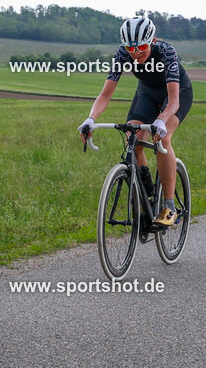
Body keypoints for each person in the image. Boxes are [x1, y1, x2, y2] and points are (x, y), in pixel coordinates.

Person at [79, 15, 193, 227]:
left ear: (151, 41)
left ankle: (169, 207)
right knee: (133, 136)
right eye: (130, 49)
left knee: (163, 137)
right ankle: (145, 185)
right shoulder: (123, 53)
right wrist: (90, 118)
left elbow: (174, 100)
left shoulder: (166, 51)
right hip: (148, 93)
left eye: (141, 47)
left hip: (176, 93)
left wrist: (160, 119)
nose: (136, 53)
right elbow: (105, 94)